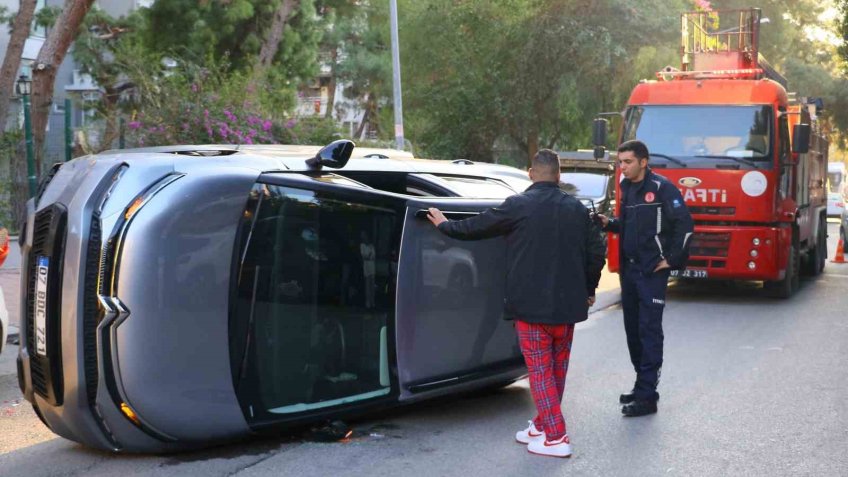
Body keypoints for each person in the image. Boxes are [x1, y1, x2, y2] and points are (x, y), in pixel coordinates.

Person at [427, 149, 605, 458]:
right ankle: (540, 425)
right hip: (567, 309)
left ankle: (556, 437)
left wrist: (444, 224)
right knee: (556, 370)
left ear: (531, 173)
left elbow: (477, 227)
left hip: (531, 309)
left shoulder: (518, 206)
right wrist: (589, 289)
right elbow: (596, 253)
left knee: (540, 372)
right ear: (559, 176)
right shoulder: (577, 209)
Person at [597, 139, 694, 417]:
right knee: (633, 332)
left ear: (643, 161)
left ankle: (647, 397)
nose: (622, 167)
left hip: (651, 273)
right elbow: (627, 226)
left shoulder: (663, 189)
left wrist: (672, 260)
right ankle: (644, 386)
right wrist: (609, 223)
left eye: (627, 162)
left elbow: (685, 226)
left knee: (649, 332)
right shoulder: (626, 188)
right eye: (620, 162)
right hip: (629, 272)